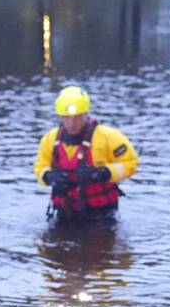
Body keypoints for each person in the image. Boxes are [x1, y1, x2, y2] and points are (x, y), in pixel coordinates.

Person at [34, 86, 139, 222]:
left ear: (85, 113)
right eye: (66, 118)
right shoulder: (50, 139)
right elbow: (40, 166)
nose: (72, 124)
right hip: (64, 213)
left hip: (102, 214)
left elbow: (131, 163)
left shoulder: (109, 137)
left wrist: (104, 173)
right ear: (60, 116)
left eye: (77, 117)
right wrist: (49, 177)